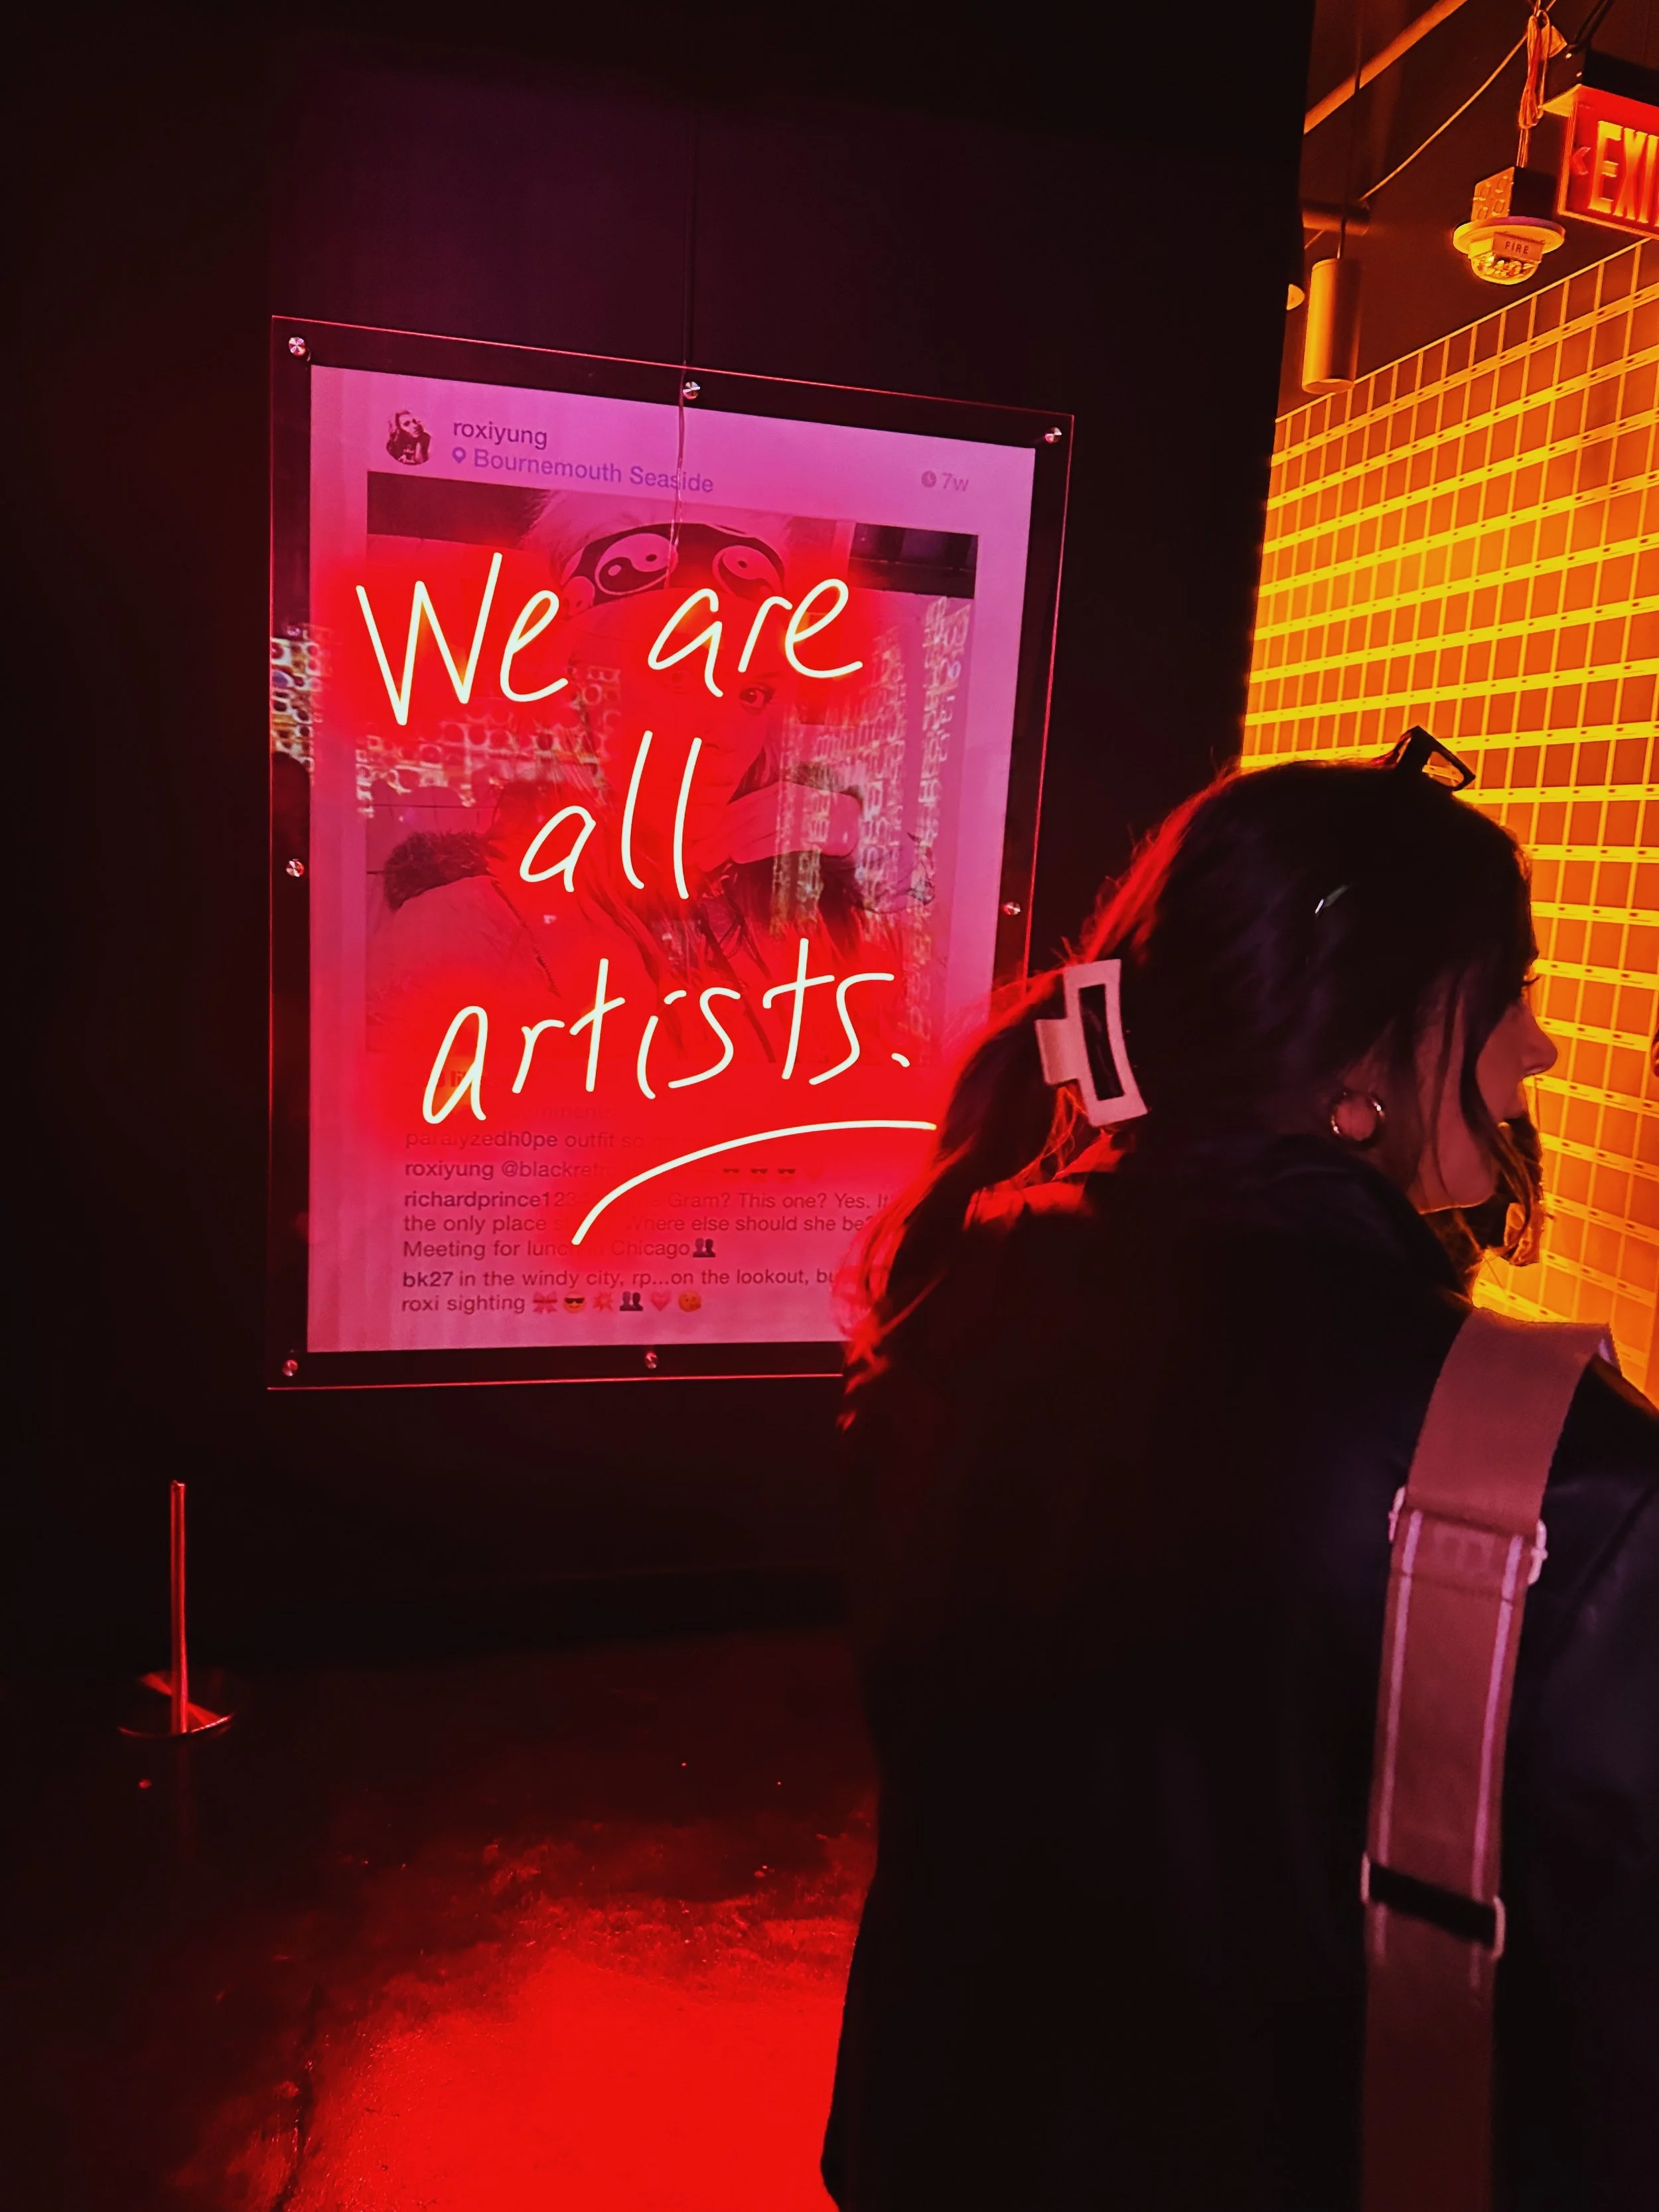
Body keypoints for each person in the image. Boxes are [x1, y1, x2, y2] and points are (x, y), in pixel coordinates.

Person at [821, 747, 1657, 2211]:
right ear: (1353, 1064)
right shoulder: (1555, 1474)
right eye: (1504, 991)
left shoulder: (956, 1292)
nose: (1537, 1048)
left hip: (935, 2135)